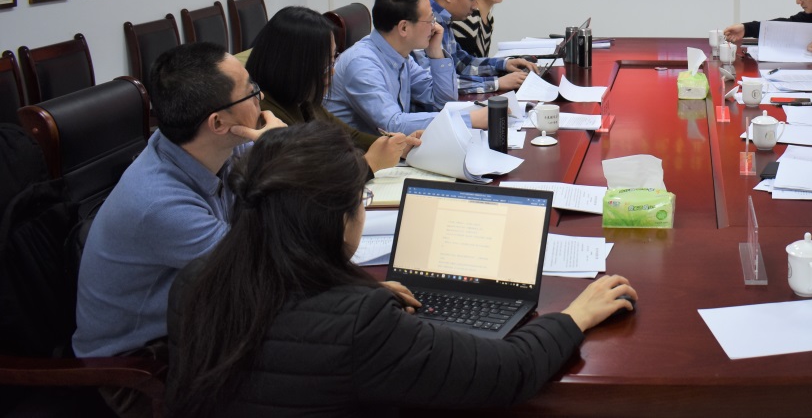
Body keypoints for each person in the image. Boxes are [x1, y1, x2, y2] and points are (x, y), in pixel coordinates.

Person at [165, 122, 637, 417]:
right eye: (361, 199)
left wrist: (357, 293)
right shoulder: (361, 322)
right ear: (337, 218)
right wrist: (574, 316)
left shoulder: (194, 281)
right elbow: (508, 370)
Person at [73, 44, 283, 402]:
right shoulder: (158, 203)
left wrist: (279, 151)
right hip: (141, 367)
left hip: (201, 320)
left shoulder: (213, 144)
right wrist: (281, 151)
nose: (259, 98)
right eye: (250, 92)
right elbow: (259, 268)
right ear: (218, 123)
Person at [246, 6, 421, 172]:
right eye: (325, 65)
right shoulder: (267, 117)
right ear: (296, 67)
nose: (332, 72)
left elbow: (348, 136)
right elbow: (311, 178)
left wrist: (397, 146)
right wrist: (369, 165)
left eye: (333, 59)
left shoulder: (301, 97)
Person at [327, 0, 478, 134]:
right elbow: (392, 125)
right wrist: (470, 119)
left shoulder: (399, 54)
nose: (435, 26)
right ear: (404, 27)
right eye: (430, 20)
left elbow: (443, 101)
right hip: (356, 148)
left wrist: (435, 53)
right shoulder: (362, 64)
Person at [428, 0, 536, 94]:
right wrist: (496, 83)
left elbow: (463, 64)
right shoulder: (425, 22)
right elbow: (434, 83)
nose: (475, 6)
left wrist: (505, 64)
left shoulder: (444, 20)